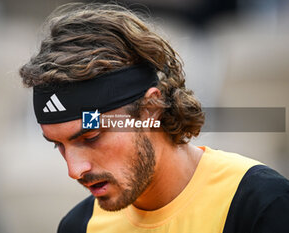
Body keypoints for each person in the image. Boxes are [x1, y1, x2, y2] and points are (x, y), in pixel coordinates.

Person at [19, 3, 289, 233]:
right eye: (59, 145)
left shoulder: (262, 206)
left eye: (91, 136)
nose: (74, 170)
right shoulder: (80, 225)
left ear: (150, 109)